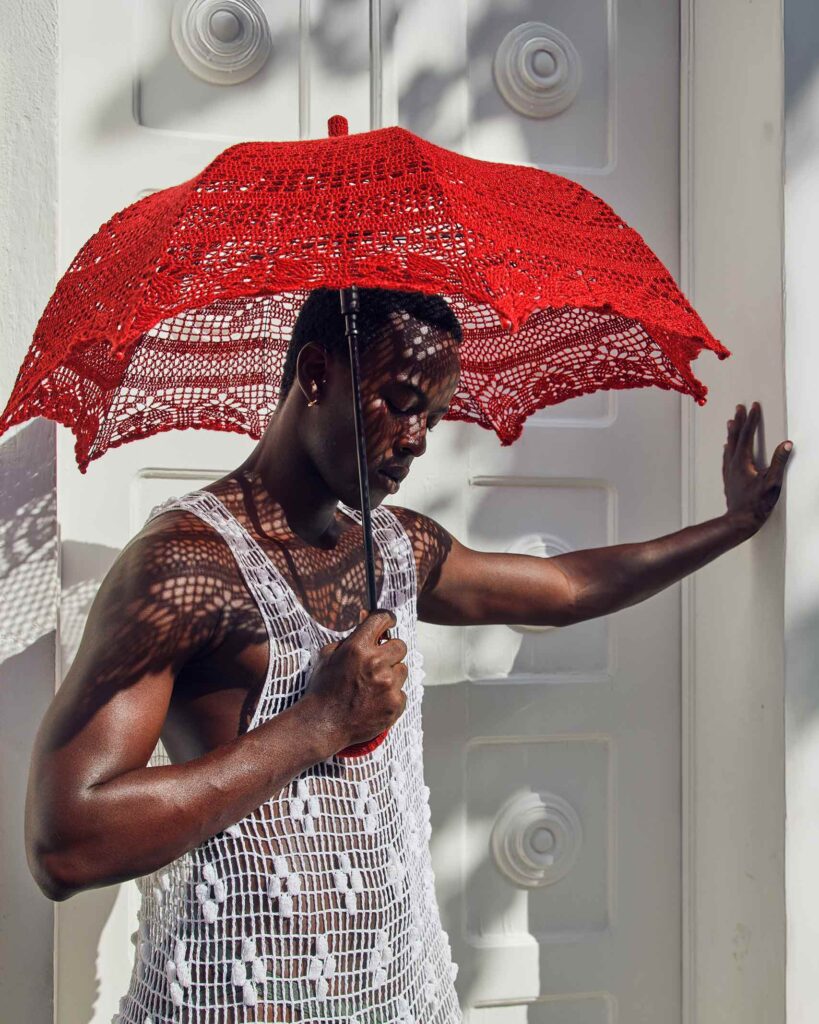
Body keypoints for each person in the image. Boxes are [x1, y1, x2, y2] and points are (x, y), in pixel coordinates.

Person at [24, 287, 793, 1024]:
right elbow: (66, 844)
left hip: (396, 995)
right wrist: (318, 724)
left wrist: (729, 527)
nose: (420, 437)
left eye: (433, 414)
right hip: (237, 1002)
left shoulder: (394, 547)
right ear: (316, 375)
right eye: (398, 401)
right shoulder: (188, 563)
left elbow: (563, 588)